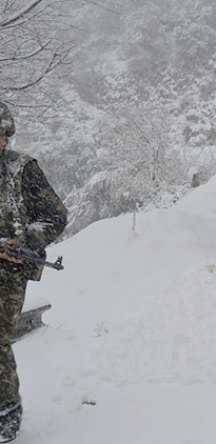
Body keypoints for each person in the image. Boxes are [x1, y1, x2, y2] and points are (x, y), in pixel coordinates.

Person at [0, 101, 67, 442]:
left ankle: (5, 415)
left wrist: (24, 240)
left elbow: (55, 216)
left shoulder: (21, 170)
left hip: (8, 271)